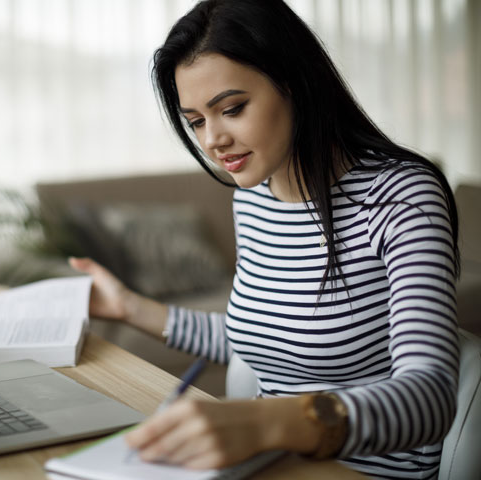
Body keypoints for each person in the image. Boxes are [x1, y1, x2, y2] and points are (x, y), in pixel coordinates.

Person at [69, 0, 460, 478]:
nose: (212, 139)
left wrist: (262, 422)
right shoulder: (254, 197)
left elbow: (430, 397)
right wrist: (129, 307)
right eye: (195, 121)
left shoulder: (401, 196)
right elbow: (261, 338)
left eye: (231, 109)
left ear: (296, 84)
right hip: (267, 465)